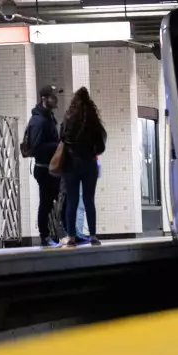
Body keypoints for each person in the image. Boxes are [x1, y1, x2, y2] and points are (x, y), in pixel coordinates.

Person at [59, 87, 107, 247]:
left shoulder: (68, 120)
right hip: (89, 164)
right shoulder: (94, 121)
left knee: (72, 200)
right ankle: (93, 236)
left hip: (71, 164)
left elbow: (62, 139)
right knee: (89, 200)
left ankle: (71, 237)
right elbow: (101, 146)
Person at [26, 85, 63, 247]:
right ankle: (45, 235)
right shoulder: (38, 120)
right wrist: (58, 145)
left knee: (57, 201)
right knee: (47, 202)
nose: (56, 99)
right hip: (44, 168)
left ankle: (57, 234)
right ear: (44, 99)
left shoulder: (48, 117)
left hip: (51, 168)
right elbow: (36, 148)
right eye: (53, 97)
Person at [75, 156, 101, 240]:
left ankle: (77, 234)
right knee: (87, 202)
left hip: (76, 167)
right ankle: (90, 234)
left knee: (79, 205)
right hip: (90, 166)